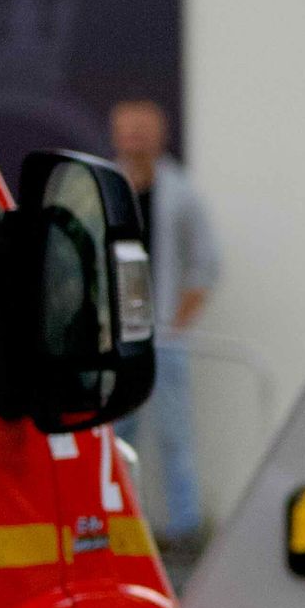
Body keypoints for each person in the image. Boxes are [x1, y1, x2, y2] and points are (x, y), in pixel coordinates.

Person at [106, 94, 220, 560]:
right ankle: (116, 524)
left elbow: (205, 265)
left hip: (164, 335)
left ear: (161, 134)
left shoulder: (181, 193)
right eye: (128, 127)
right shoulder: (105, 186)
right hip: (116, 332)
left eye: (144, 128)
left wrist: (176, 323)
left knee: (175, 433)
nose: (135, 137)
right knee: (116, 435)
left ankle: (184, 526)